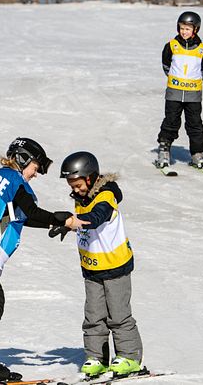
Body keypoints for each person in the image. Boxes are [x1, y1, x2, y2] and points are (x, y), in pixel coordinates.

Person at [0, 138, 87, 384]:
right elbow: (31, 212)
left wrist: (54, 220)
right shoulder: (15, 180)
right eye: (35, 167)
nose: (36, 174)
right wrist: (63, 220)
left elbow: (21, 216)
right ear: (22, 160)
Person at [57, 151, 143, 378]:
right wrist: (66, 225)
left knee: (119, 315)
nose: (74, 189)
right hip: (92, 268)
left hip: (115, 267)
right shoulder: (81, 198)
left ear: (90, 177)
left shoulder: (106, 196)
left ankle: (130, 357)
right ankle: (96, 358)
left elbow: (97, 217)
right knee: (93, 316)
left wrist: (73, 222)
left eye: (77, 184)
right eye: (71, 185)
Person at [156, 11, 203, 169]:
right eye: (181, 28)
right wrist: (175, 79)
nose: (184, 32)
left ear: (195, 30)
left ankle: (197, 154)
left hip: (193, 95)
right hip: (174, 93)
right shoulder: (171, 46)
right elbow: (166, 65)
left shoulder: (202, 50)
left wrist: (191, 82)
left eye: (187, 29)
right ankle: (164, 149)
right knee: (171, 121)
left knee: (195, 124)